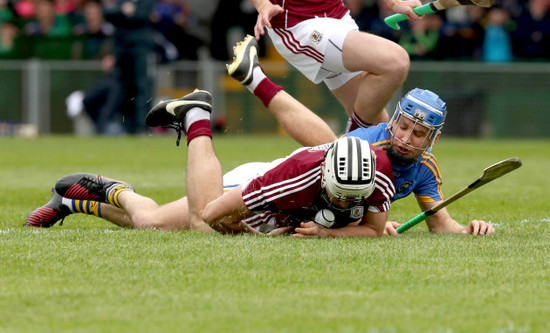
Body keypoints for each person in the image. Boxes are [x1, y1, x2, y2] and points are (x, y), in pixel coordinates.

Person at [25, 90, 396, 237]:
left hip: (281, 211)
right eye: (340, 197)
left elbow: (373, 231)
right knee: (192, 222)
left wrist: (328, 233)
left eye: (354, 199)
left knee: (154, 225)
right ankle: (196, 118)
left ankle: (75, 201)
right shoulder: (293, 178)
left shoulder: (380, 174)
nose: (347, 206)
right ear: (326, 176)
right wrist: (261, 240)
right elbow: (214, 215)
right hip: (252, 191)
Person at [227, 37, 495, 236]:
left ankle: (251, 81)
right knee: (197, 219)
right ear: (393, 119)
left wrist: (469, 231)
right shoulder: (366, 146)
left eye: (419, 133)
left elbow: (440, 223)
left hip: (284, 217)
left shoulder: (424, 167)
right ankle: (242, 89)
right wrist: (365, 226)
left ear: (432, 140)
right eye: (403, 126)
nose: (406, 137)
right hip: (261, 186)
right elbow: (325, 200)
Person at [247, 0, 422, 132]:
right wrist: (263, 4)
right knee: (396, 61)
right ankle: (351, 139)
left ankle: (349, 151)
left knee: (376, 131)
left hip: (339, 19)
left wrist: (395, 2)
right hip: (298, 25)